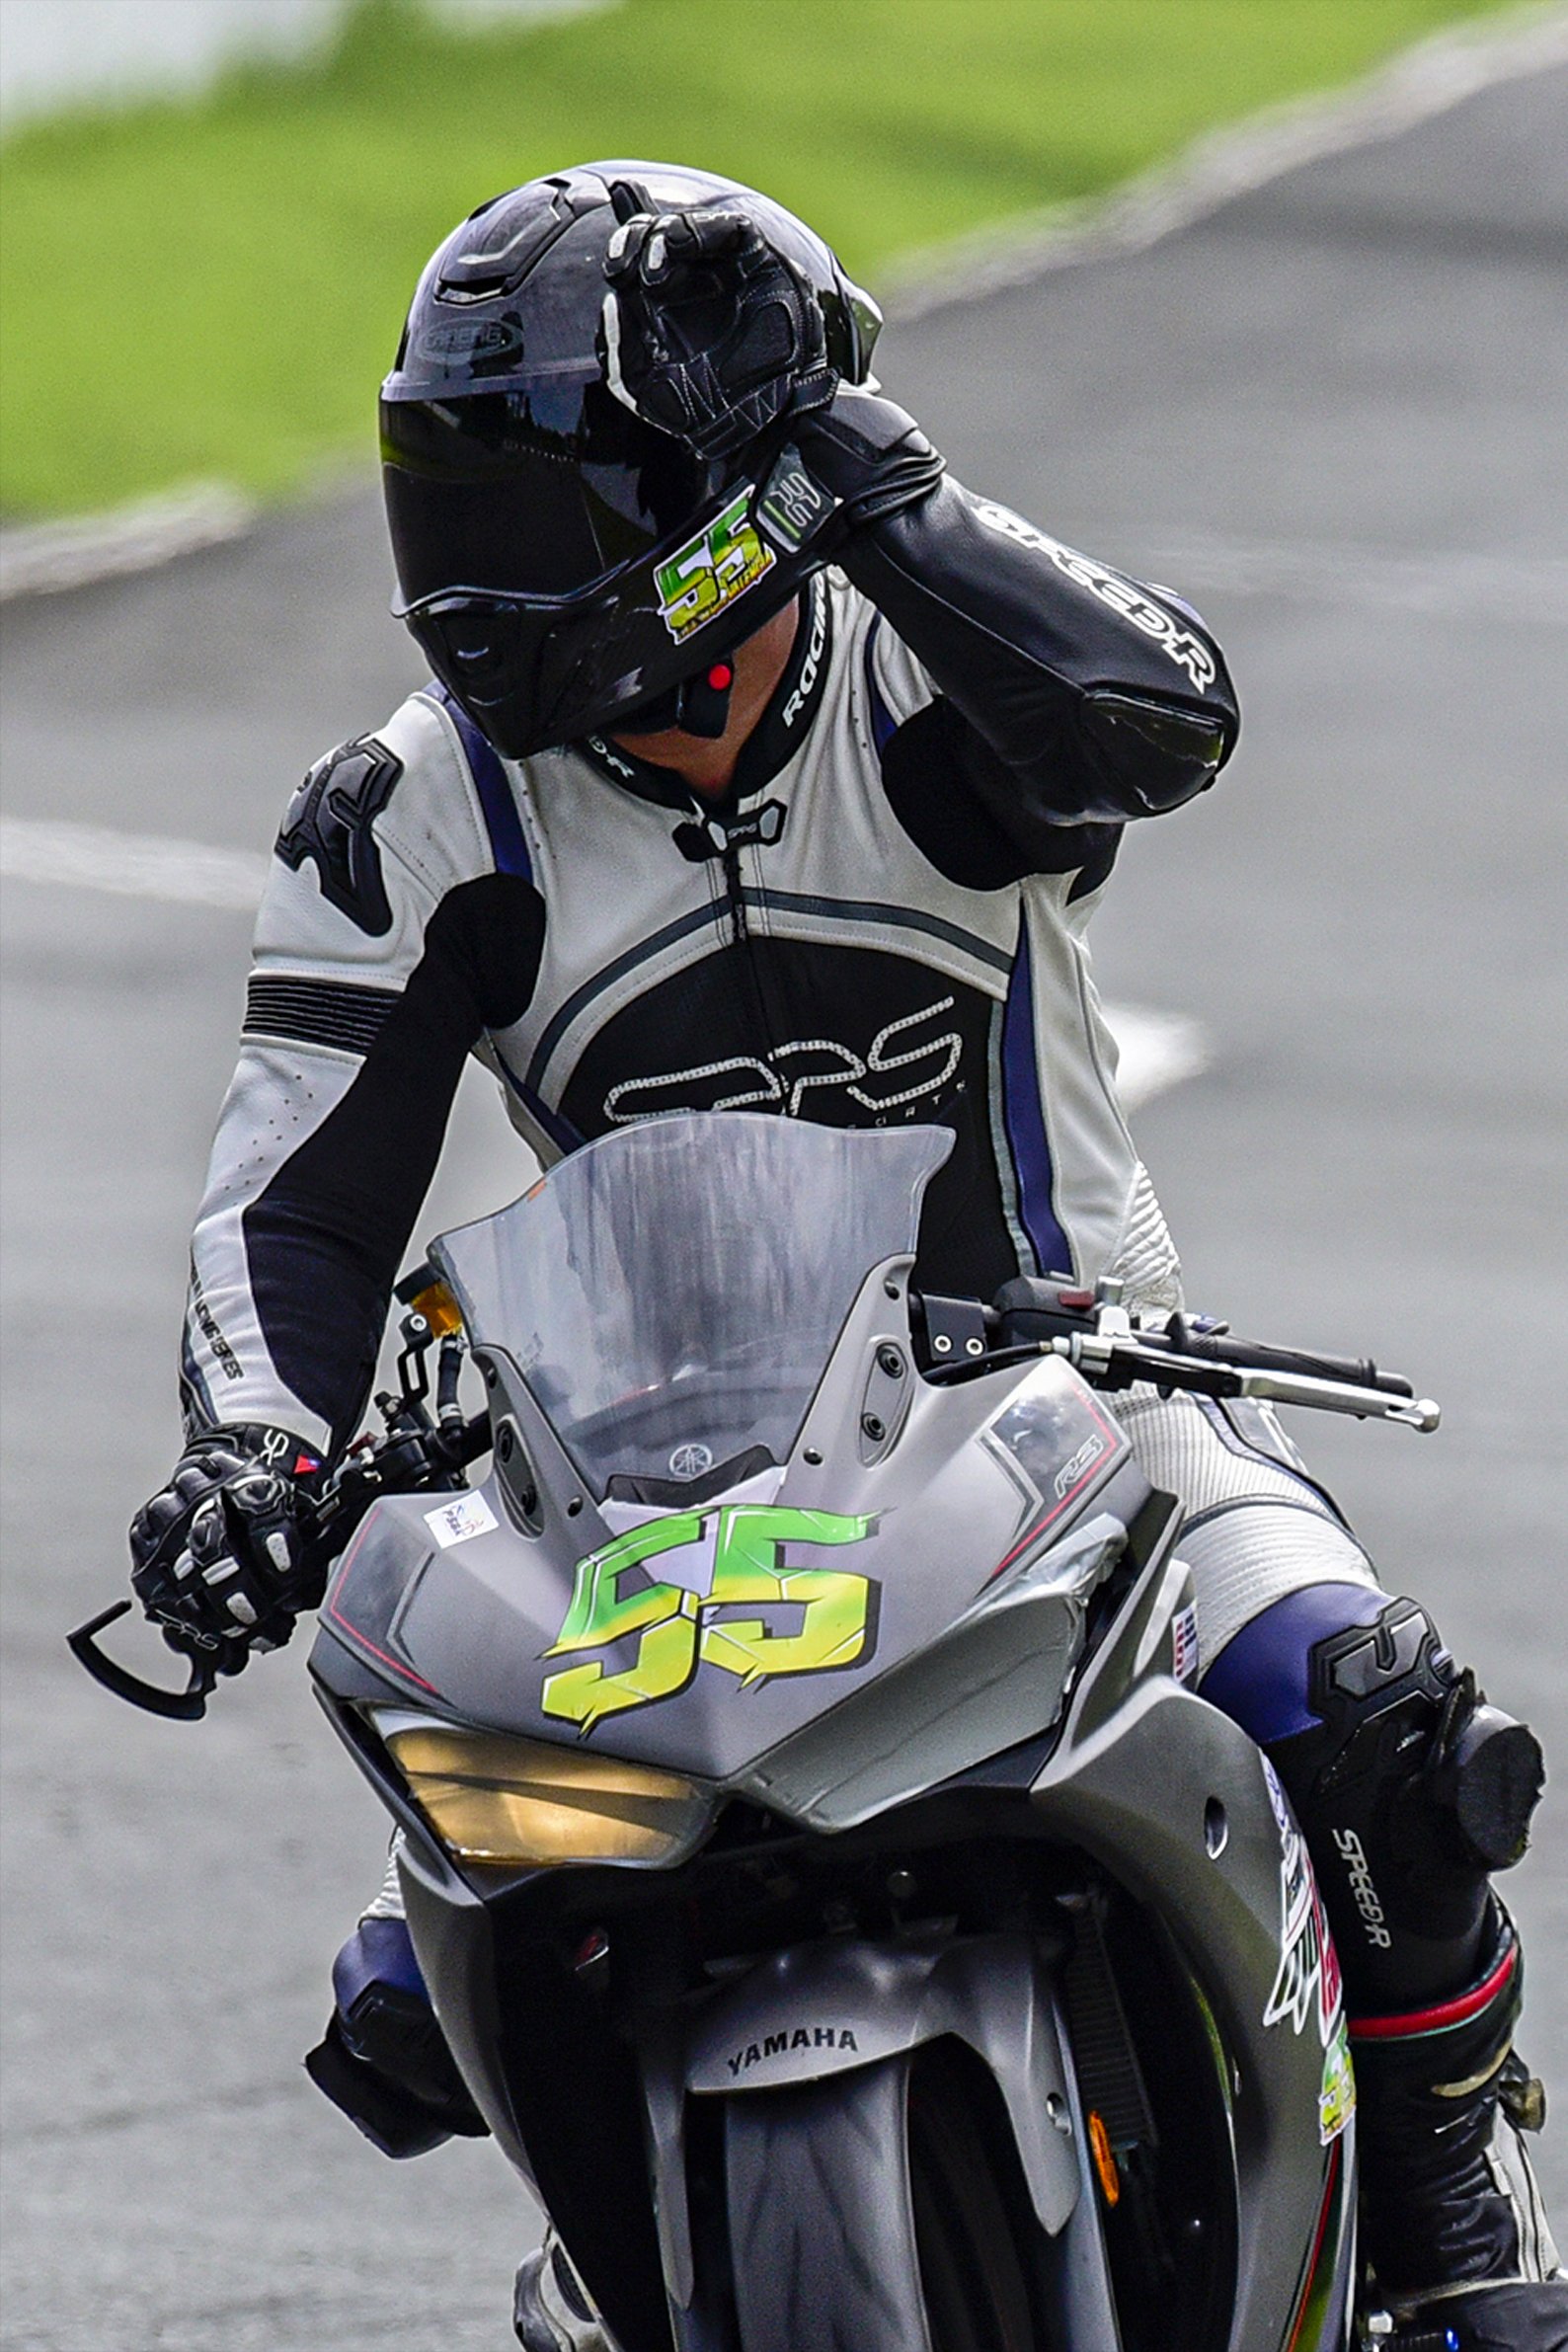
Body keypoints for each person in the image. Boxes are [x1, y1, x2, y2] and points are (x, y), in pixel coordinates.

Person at [125, 163, 1565, 2352]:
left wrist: (867, 488)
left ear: (710, 491)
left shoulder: (936, 669)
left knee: (1367, 1719)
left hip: (1089, 1411)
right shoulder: (404, 819)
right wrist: (247, 1453)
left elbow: (1162, 719)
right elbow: (295, 1208)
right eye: (450, 504)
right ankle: (617, 2265)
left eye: (535, 506)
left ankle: (1460, 2229)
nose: (474, 585)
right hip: (655, 1496)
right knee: (435, 1940)